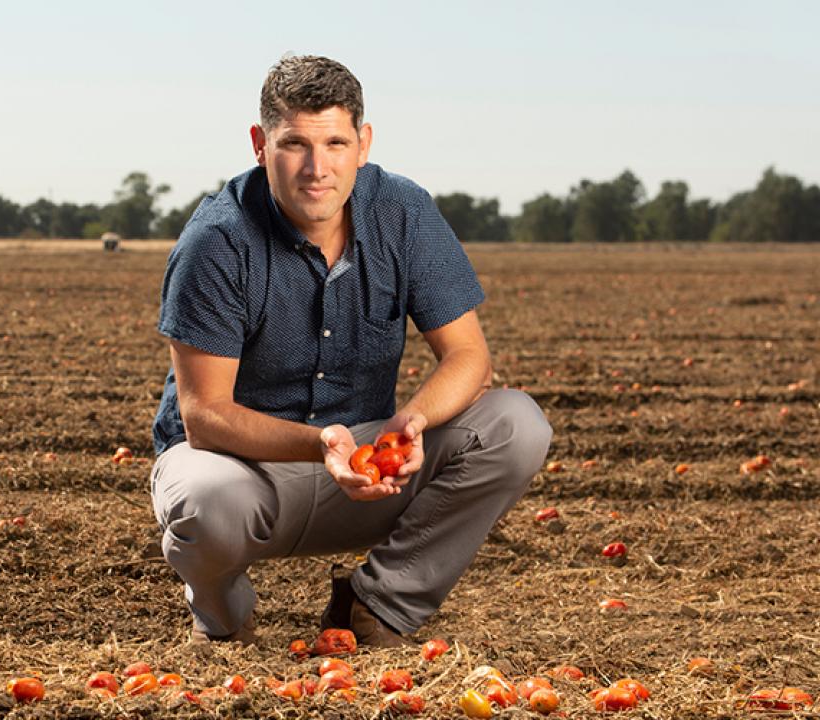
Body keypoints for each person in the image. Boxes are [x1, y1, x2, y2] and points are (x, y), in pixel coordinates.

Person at [149, 54, 552, 648]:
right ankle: (224, 620)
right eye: (295, 144)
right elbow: (205, 417)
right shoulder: (216, 240)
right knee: (204, 499)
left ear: (363, 144)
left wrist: (411, 425)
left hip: (365, 467)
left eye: (335, 143)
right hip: (243, 471)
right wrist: (321, 445)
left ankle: (377, 606)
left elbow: (469, 357)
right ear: (260, 145)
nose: (317, 169)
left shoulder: (403, 211)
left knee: (516, 424)